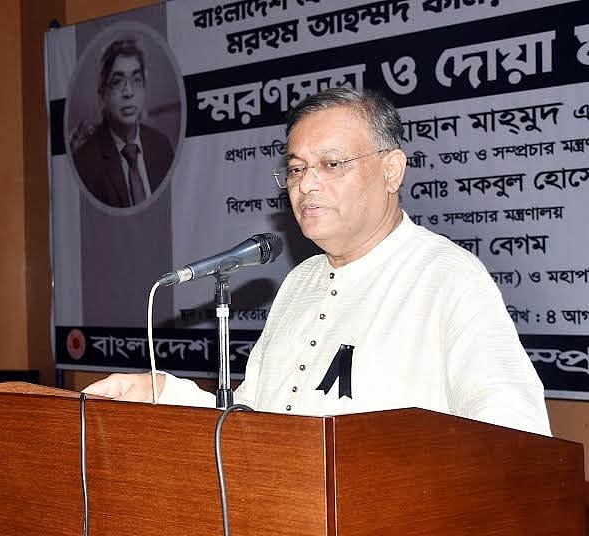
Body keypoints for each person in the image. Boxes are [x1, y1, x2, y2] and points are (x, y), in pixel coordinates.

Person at [85, 87, 551, 437]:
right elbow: (253, 422)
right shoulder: (300, 282)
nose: (306, 184)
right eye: (296, 168)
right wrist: (164, 392)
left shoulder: (447, 277)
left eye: (331, 165)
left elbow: (515, 434)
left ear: (392, 170)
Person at [72, 36, 175, 208]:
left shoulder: (162, 146)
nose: (128, 92)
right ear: (102, 96)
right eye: (117, 82)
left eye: (136, 80)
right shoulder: (85, 163)